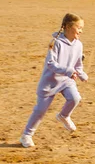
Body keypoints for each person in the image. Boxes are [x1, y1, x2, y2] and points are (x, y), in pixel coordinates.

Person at [20, 13, 88, 148]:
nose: (81, 31)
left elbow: (78, 64)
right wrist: (69, 71)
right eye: (78, 27)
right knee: (40, 111)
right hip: (50, 82)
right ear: (68, 27)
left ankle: (64, 116)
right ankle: (26, 135)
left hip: (66, 81)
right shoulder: (55, 43)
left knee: (75, 98)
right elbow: (51, 64)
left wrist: (81, 74)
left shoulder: (78, 45)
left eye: (82, 28)